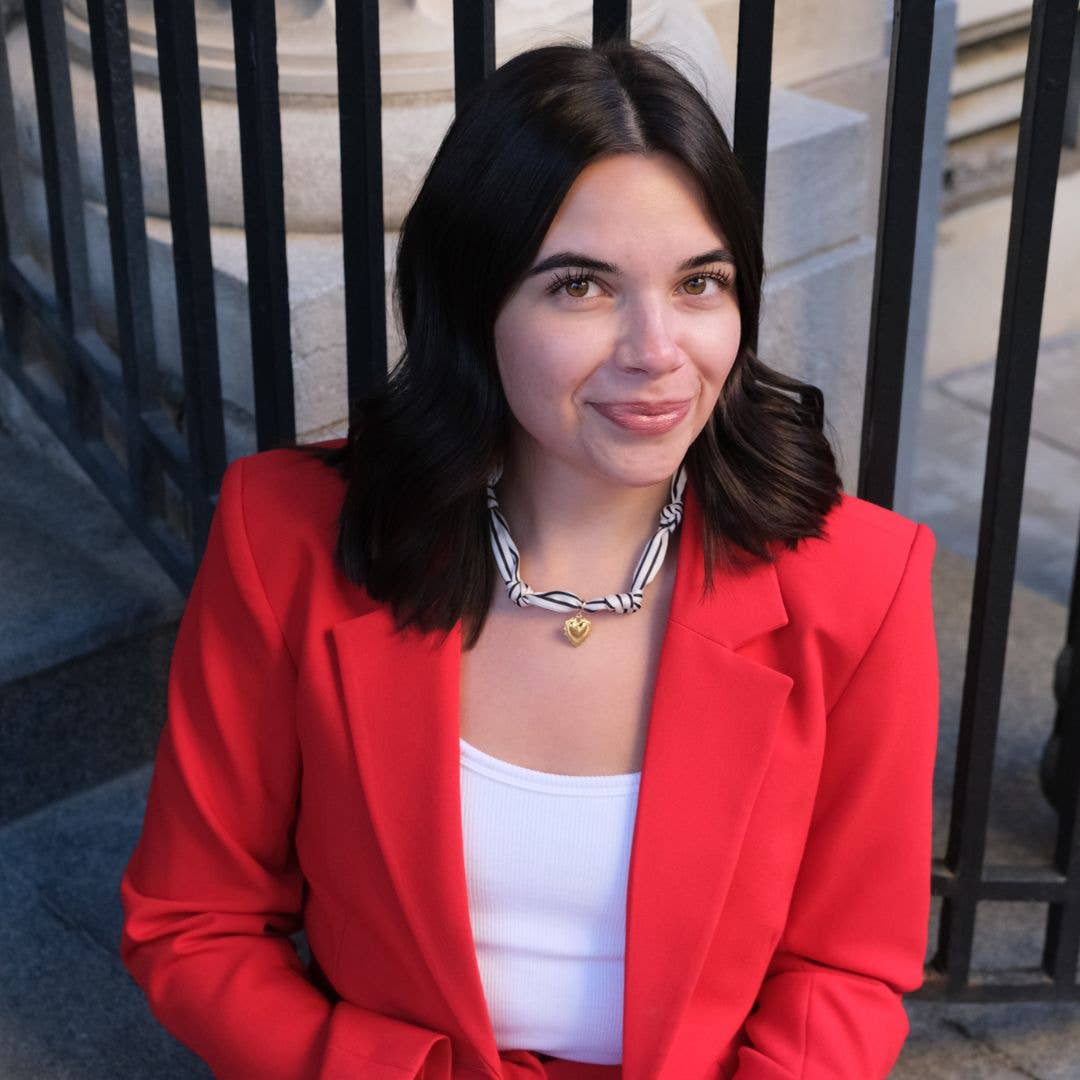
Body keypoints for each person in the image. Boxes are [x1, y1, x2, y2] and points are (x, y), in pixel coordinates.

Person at [119, 37, 939, 1080]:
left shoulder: (861, 583)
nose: (657, 351)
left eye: (700, 282)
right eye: (581, 287)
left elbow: (844, 967)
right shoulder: (283, 539)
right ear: (473, 304)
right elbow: (192, 921)